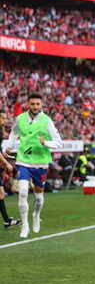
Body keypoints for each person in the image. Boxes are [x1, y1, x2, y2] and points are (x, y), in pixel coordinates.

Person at [4, 94, 62, 238]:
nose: (35, 107)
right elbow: (13, 133)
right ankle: (25, 225)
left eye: (38, 104)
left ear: (41, 105)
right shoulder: (20, 119)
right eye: (33, 104)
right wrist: (10, 145)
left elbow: (58, 142)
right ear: (28, 104)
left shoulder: (47, 121)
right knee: (23, 192)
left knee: (39, 198)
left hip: (41, 163)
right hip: (23, 161)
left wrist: (46, 143)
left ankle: (36, 215)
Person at [0, 109, 21, 229]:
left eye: (4, 118)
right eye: (2, 118)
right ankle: (7, 220)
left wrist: (4, 153)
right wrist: (6, 162)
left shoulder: (1, 131)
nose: (4, 121)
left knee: (1, 193)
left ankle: (7, 221)